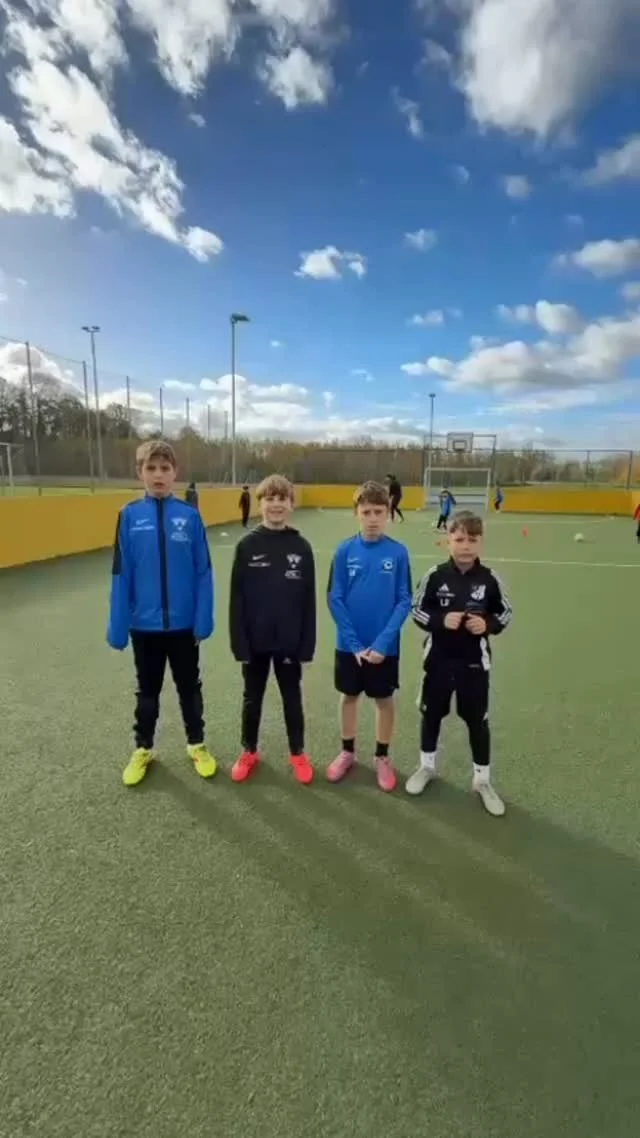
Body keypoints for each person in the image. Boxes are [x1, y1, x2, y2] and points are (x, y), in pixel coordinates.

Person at [107, 440, 217, 787]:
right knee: (147, 691)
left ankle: (197, 744)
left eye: (165, 468)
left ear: (175, 473)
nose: (158, 475)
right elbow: (121, 573)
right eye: (151, 468)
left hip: (184, 625)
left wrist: (203, 617)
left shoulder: (190, 516)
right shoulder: (128, 516)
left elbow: (203, 571)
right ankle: (143, 748)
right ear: (139, 472)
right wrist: (118, 624)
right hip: (145, 626)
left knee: (189, 687)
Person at [406, 509, 512, 816]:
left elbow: (505, 612)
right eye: (459, 539)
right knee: (431, 715)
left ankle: (482, 780)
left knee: (478, 721)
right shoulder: (435, 576)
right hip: (438, 661)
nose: (466, 546)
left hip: (474, 664)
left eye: (472, 540)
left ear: (481, 542)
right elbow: (416, 609)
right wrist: (440, 620)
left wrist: (487, 624)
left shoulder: (489, 579)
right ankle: (426, 767)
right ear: (448, 540)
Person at [229, 474, 316, 785]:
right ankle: (248, 751)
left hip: (290, 642)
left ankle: (297, 753)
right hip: (254, 642)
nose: (276, 504)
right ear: (260, 503)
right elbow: (236, 599)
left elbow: (308, 600)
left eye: (282, 499)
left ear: (291, 504)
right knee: (252, 698)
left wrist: (306, 645)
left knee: (292, 698)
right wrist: (239, 643)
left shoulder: (301, 547)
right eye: (270, 498)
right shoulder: (246, 546)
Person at [326, 480, 412, 792]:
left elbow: (404, 600)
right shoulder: (344, 550)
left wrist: (382, 644)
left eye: (379, 512)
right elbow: (335, 598)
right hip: (349, 646)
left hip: (383, 648)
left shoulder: (398, 552)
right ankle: (347, 751)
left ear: (388, 513)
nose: (373, 518)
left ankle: (382, 756)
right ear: (356, 513)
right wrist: (354, 644)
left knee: (384, 700)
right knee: (349, 696)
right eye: (366, 512)